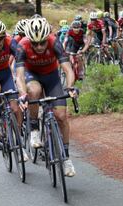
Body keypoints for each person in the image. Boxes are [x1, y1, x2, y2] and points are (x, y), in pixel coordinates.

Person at [15, 17, 78, 177]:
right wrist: (23, 94)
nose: (39, 46)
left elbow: (68, 70)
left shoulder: (54, 42)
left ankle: (66, 158)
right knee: (34, 92)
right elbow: (20, 76)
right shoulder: (22, 46)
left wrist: (70, 87)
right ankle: (35, 128)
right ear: (29, 40)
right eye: (35, 44)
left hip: (52, 77)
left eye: (42, 42)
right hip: (32, 75)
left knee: (61, 117)